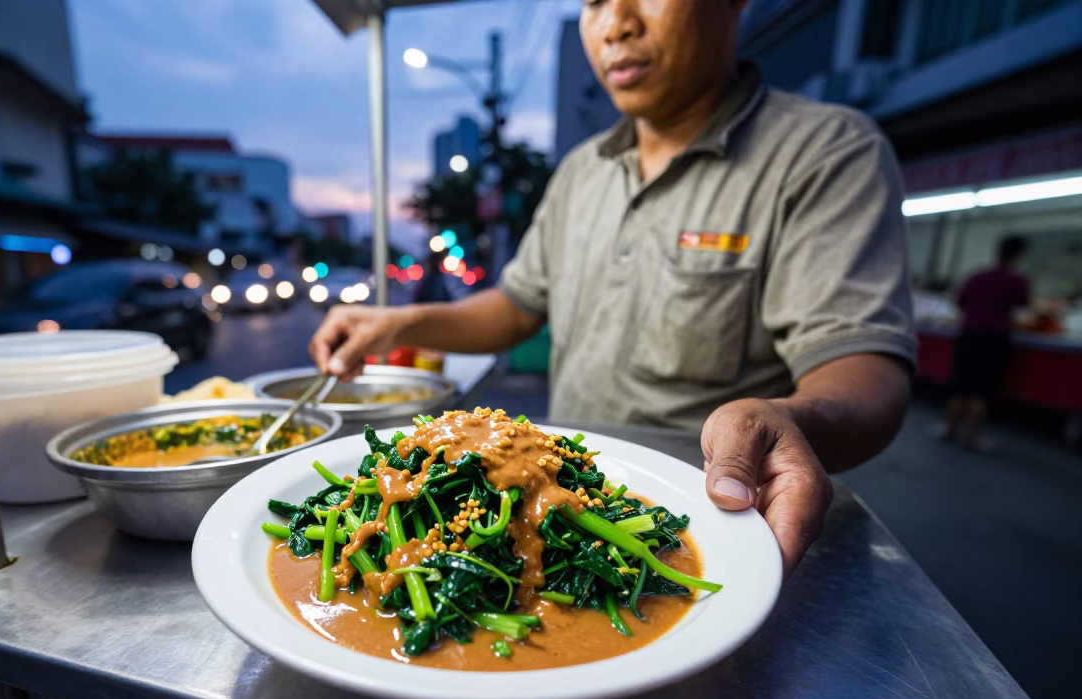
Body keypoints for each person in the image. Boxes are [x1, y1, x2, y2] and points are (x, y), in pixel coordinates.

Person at [311, 0, 915, 573]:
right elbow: (519, 305)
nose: (615, 25)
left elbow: (864, 368)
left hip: (707, 524)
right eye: (595, 1)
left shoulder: (826, 152)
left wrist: (782, 418)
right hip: (554, 497)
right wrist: (396, 323)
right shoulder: (581, 171)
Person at [941, 236, 1030, 450]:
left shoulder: (977, 276)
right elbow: (1023, 307)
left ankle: (949, 428)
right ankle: (971, 436)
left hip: (969, 334)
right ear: (1019, 255)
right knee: (981, 389)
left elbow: (960, 301)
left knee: (960, 384)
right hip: (994, 338)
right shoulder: (1017, 280)